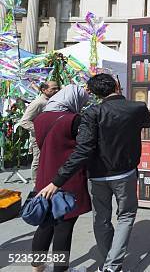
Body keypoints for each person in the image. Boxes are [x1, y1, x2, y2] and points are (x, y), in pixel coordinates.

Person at [38, 74, 150, 272]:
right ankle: (111, 266)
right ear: (117, 85)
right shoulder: (137, 108)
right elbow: (147, 123)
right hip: (125, 173)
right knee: (125, 216)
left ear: (93, 93)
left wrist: (57, 181)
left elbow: (83, 149)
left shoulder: (92, 113)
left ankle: (106, 263)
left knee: (101, 219)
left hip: (98, 175)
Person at [31, 85, 90, 272]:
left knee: (45, 223)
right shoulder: (74, 119)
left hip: (44, 174)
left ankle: (36, 267)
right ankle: (60, 269)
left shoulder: (40, 118)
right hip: (67, 178)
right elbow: (82, 149)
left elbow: (42, 145)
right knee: (64, 225)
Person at [17, 80, 60, 185]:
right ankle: (36, 183)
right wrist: (40, 130)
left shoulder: (53, 101)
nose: (56, 90)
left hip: (50, 136)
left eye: (57, 88)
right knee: (38, 159)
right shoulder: (38, 103)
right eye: (53, 89)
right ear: (44, 90)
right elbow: (24, 121)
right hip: (39, 137)